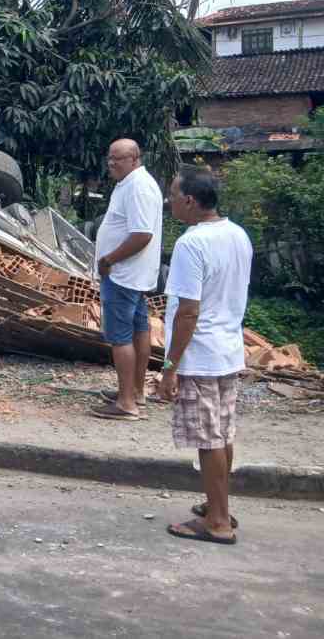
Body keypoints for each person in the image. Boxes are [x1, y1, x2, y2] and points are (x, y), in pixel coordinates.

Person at [159, 167, 251, 545]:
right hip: (227, 349)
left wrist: (170, 366)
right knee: (222, 433)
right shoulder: (237, 234)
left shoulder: (191, 243)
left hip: (200, 353)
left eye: (173, 195)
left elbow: (188, 311)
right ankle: (219, 506)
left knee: (209, 439)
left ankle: (216, 522)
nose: (169, 202)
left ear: (191, 202)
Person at [91, 138, 164, 421]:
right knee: (138, 330)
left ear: (135, 159)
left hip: (123, 275)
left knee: (120, 337)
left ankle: (126, 404)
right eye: (110, 157)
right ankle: (135, 392)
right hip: (133, 274)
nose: (112, 163)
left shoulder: (138, 187)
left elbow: (142, 235)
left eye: (118, 158)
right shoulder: (132, 184)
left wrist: (109, 259)